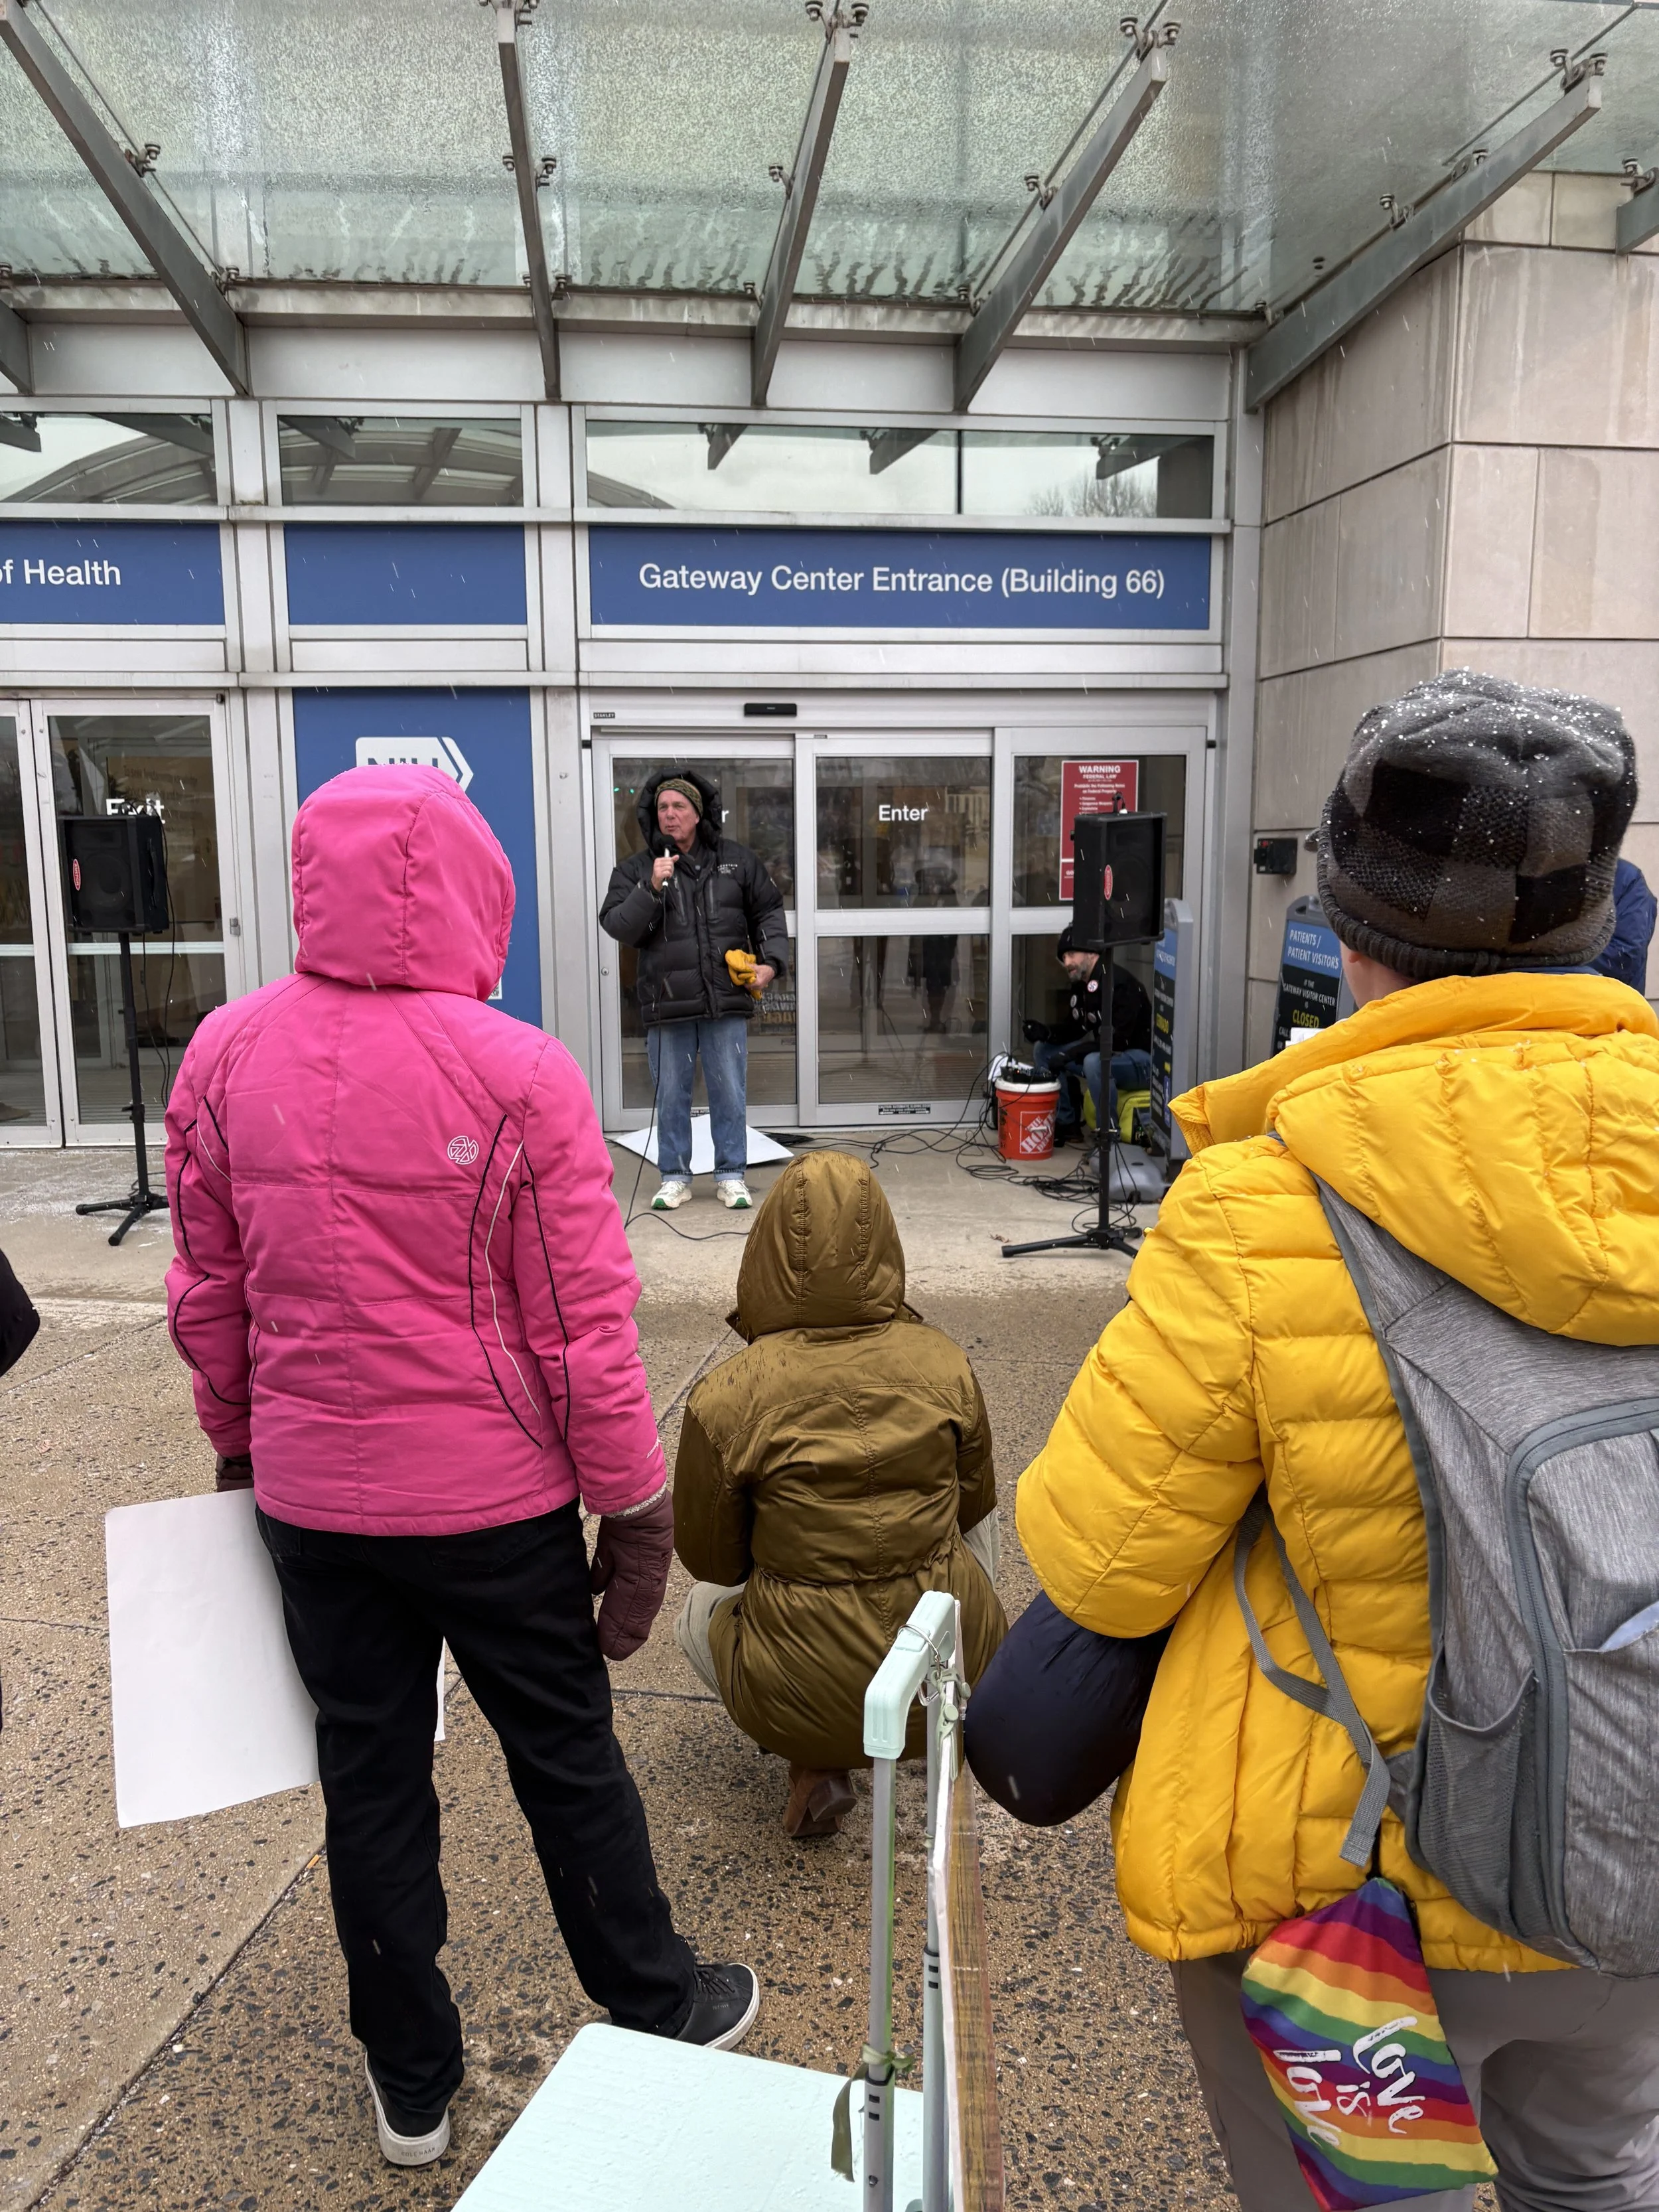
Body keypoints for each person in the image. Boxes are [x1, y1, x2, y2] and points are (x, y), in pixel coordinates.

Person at [1017, 669, 1659, 2211]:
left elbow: (1100, 1563)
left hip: (1348, 1887)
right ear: (1597, 919)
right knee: (1596, 2174)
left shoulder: (1260, 1203)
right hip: (1634, 1842)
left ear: (1348, 927)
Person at [165, 766, 756, 2172]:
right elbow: (579, 1328)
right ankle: (656, 2004)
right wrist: (632, 1500)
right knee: (565, 1755)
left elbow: (211, 1290)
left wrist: (241, 1446)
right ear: (478, 891)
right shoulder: (516, 1069)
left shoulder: (223, 1054)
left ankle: (412, 2082)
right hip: (494, 1504)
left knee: (368, 1778)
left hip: (313, 1498)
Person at [670, 1151, 1007, 1838]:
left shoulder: (726, 1398)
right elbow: (973, 1510)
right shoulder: (945, 1361)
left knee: (695, 1612)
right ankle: (940, 1723)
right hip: (943, 1662)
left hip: (799, 1693)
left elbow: (711, 1562)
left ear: (763, 1256)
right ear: (882, 1246)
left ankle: (815, 1763)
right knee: (974, 1526)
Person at [599, 768, 788, 1213]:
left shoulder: (736, 861)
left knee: (728, 1090)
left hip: (725, 999)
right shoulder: (636, 869)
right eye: (663, 808)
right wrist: (651, 886)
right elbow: (620, 926)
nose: (670, 815)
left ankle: (731, 1175)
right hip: (667, 1001)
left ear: (697, 814)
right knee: (671, 1094)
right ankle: (675, 1176)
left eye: (679, 806)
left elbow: (769, 911)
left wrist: (771, 963)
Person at [1023, 924, 1151, 1145]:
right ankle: (1067, 1123)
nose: (1067, 963)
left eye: (1072, 954)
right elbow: (1075, 1029)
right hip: (1112, 1057)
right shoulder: (1083, 986)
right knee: (1043, 1051)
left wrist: (1071, 1054)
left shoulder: (1119, 984)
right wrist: (1046, 1033)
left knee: (1095, 1062)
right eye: (1063, 957)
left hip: (1142, 1063)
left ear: (1092, 953)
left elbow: (1117, 1042)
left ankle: (1109, 1138)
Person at [1593, 853, 1656, 990]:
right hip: (1545, 1002)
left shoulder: (1626, 878)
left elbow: (1625, 957)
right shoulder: (1543, 873)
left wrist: (1555, 958)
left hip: (1610, 1003)